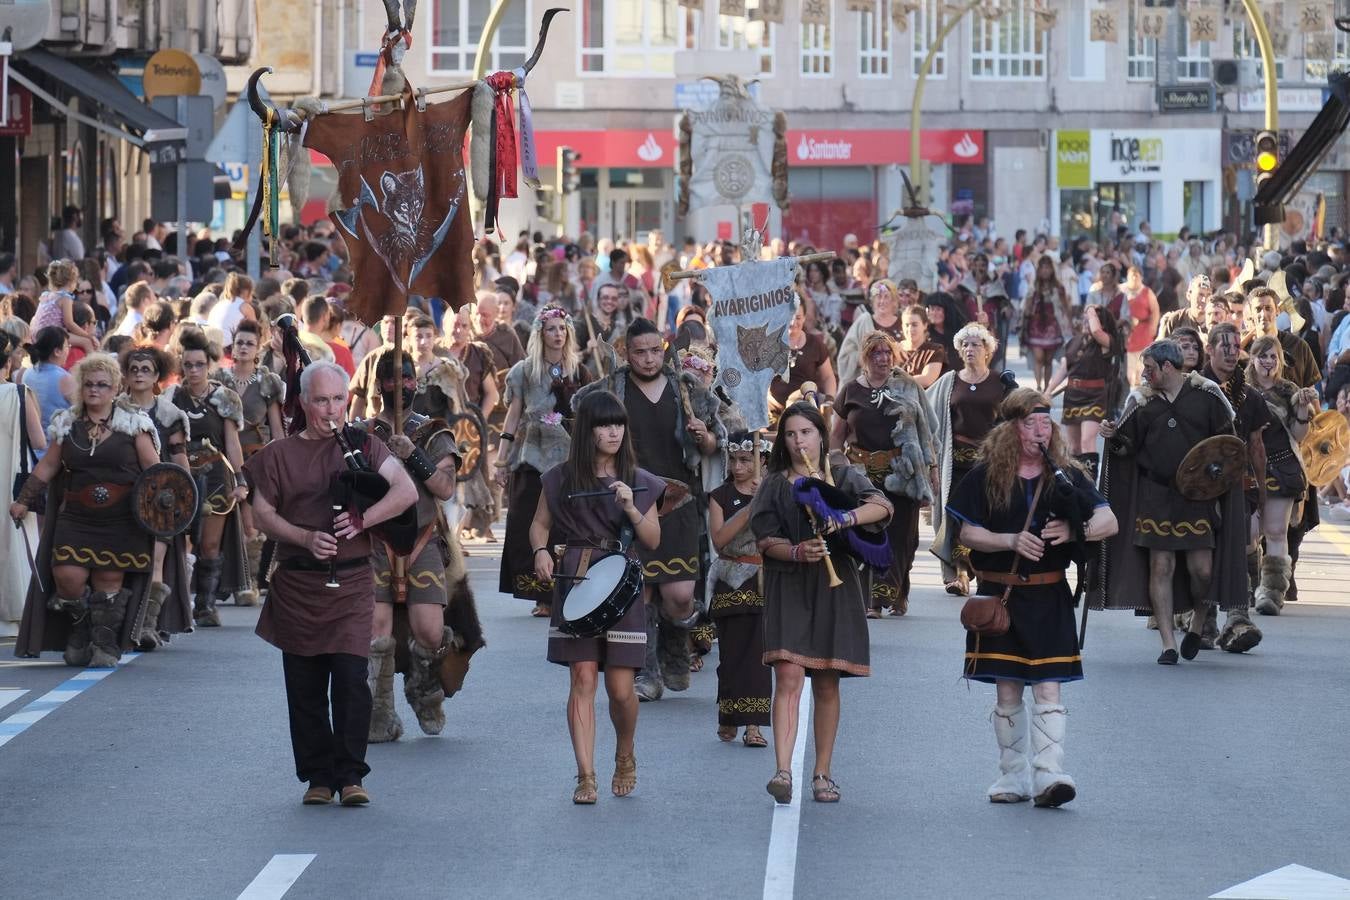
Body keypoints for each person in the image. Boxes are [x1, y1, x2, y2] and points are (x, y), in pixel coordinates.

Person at [244, 360, 417, 806]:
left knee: (349, 678)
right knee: (304, 686)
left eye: (338, 399)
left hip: (354, 581)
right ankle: (318, 778)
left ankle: (351, 775)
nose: (330, 409)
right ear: (303, 402)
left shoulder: (364, 445)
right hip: (299, 584)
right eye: (321, 400)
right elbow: (262, 514)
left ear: (348, 400)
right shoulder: (278, 455)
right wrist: (303, 537)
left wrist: (363, 520)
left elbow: (406, 493)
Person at [947, 389, 1117, 807]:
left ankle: (1049, 775)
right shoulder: (986, 476)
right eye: (1030, 423)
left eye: (1046, 423)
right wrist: (1009, 539)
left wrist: (1077, 531)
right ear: (1010, 429)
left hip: (1049, 596)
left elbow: (1108, 520)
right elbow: (965, 533)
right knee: (1007, 692)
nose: (1040, 431)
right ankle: (1012, 777)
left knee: (1048, 689)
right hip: (1001, 598)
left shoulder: (1066, 476)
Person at [573, 317, 723, 702]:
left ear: (665, 348)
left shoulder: (686, 388)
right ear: (627, 353)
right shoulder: (613, 387)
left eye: (656, 350)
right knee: (640, 594)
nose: (649, 358)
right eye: (640, 352)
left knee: (679, 596)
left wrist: (703, 436)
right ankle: (648, 673)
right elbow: (579, 410)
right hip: (631, 501)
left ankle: (675, 645)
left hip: (681, 501)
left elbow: (716, 441)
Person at [752, 402, 893, 805]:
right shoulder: (775, 483)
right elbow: (764, 538)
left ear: (820, 434)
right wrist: (795, 551)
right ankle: (783, 770)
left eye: (807, 433)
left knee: (828, 682)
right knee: (790, 676)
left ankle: (822, 773)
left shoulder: (842, 474)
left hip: (836, 587)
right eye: (791, 434)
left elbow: (884, 506)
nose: (799, 442)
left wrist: (843, 519)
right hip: (791, 585)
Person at [531, 390, 663, 804]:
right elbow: (539, 524)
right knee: (583, 677)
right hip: (577, 576)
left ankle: (625, 753)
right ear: (586, 430)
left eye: (619, 424)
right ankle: (584, 775)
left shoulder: (639, 481)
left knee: (621, 690)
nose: (614, 432)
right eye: (605, 424)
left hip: (622, 581)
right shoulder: (559, 478)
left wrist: (631, 508)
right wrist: (539, 551)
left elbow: (653, 540)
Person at [358, 350, 484, 742]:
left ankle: (424, 691)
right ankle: (379, 713)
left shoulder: (433, 432)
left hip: (422, 539)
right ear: (379, 385)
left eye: (408, 377)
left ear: (418, 382)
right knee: (376, 631)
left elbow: (445, 488)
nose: (401, 385)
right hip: (376, 541)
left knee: (430, 631)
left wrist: (413, 455)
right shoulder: (360, 433)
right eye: (392, 379)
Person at [1097, 339, 1248, 664]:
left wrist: (1218, 479)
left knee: (1202, 571)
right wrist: (1114, 437)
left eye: (1150, 368)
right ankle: (1168, 644)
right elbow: (1127, 449)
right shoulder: (1143, 402)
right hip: (1156, 495)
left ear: (1168, 366)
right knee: (1161, 566)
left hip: (1197, 496)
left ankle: (1196, 622)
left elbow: (1228, 446)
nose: (1145, 374)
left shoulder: (1206, 397)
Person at [12, 354, 160, 666]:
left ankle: (103, 644)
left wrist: (165, 512)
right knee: (67, 575)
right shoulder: (67, 424)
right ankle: (80, 630)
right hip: (77, 517)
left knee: (108, 583)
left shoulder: (135, 424)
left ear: (115, 387)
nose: (94, 390)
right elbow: (49, 465)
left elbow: (155, 472)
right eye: (89, 384)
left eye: (102, 385)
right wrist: (24, 499)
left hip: (121, 520)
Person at [830, 331, 938, 617]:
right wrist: (837, 470)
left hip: (903, 473)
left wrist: (932, 472)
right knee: (870, 534)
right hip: (863, 475)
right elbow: (835, 439)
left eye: (887, 352)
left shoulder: (907, 386)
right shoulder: (851, 391)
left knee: (905, 539)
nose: (883, 358)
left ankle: (899, 587)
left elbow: (926, 432)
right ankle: (875, 600)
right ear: (866, 358)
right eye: (876, 353)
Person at [494, 305, 592, 618]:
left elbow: (591, 416)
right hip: (530, 453)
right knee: (526, 518)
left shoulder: (580, 370)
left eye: (562, 328)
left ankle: (564, 590)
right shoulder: (524, 370)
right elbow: (513, 414)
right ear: (541, 333)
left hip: (568, 454)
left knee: (565, 522)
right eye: (551, 328)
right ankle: (540, 593)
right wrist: (501, 458)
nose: (558, 334)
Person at [165, 328, 249, 626]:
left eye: (199, 364)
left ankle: (205, 605)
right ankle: (177, 603)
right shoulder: (171, 397)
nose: (194, 370)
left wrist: (240, 480)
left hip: (215, 478)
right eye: (188, 365)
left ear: (209, 364)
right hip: (179, 479)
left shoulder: (224, 398)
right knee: (181, 541)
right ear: (181, 366)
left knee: (210, 545)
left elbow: (232, 442)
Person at [119, 343, 194, 649]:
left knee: (156, 558)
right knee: (122, 560)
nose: (139, 375)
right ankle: (122, 623)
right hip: (123, 497)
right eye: (134, 369)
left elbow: (180, 459)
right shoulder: (115, 408)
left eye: (145, 370)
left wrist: (184, 499)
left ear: (157, 376)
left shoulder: (170, 414)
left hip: (162, 498)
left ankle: (147, 626)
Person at [1200, 324, 1267, 653]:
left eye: (1234, 346)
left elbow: (1256, 446)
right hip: (1199, 486)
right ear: (1209, 350)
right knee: (1205, 552)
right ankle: (1204, 620)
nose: (1230, 351)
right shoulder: (1194, 391)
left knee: (1240, 547)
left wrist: (1263, 498)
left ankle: (1238, 619)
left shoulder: (1251, 396)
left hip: (1239, 486)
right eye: (1223, 346)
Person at [928, 323, 1006, 596]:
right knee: (956, 517)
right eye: (965, 345)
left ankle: (983, 571)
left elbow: (1015, 418)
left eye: (976, 344)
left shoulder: (999, 382)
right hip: (956, 463)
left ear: (988, 350)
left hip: (989, 463)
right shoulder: (950, 381)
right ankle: (960, 574)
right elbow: (925, 409)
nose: (969, 349)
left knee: (984, 519)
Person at [707, 428, 770, 747]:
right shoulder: (719, 496)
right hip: (730, 580)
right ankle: (728, 716)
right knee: (731, 655)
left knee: (760, 656)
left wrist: (766, 499)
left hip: (764, 580)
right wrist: (750, 507)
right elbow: (719, 541)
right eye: (733, 459)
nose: (738, 466)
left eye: (746, 459)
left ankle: (754, 726)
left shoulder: (773, 493)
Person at [1246, 335, 1317, 616]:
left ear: (1280, 360)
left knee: (1276, 531)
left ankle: (1273, 594)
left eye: (1272, 356)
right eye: (1262, 356)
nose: (1268, 361)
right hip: (1247, 468)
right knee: (1249, 533)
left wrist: (1301, 409)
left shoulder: (1290, 390)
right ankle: (1250, 586)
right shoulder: (1241, 389)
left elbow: (1299, 436)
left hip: (1280, 465)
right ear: (1253, 359)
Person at [0, 333, 46, 635]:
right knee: (15, 545)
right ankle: (14, 615)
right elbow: (39, 440)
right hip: (14, 480)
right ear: (7, 362)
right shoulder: (18, 393)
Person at [1045, 304, 1123, 478]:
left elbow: (1096, 332)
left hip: (1094, 397)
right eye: (1085, 319)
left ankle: (1090, 483)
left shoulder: (1108, 341)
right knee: (1073, 447)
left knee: (1087, 440)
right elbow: (1063, 369)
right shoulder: (1074, 341)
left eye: (1091, 319)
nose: (1087, 322)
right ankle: (1076, 480)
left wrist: (1089, 309)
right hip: (1073, 395)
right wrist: (1048, 391)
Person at [444, 305, 500, 542]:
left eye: (464, 325)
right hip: (441, 430)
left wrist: (477, 422)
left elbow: (492, 394)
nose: (459, 329)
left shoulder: (478, 354)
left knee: (469, 485)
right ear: (446, 325)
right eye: (455, 324)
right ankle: (447, 539)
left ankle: (460, 537)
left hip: (470, 432)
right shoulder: (434, 352)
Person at [769, 303, 836, 423]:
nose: (793, 322)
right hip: (773, 410)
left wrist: (829, 399)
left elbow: (828, 377)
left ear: (804, 317)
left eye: (798, 317)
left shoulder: (815, 344)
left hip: (806, 410)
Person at [16, 326, 75, 456]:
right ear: (57, 351)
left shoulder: (26, 373)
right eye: (67, 346)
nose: (68, 350)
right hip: (55, 453)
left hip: (29, 451)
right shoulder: (65, 379)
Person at [1021, 255, 1073, 392]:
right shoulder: (1033, 287)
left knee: (1048, 360)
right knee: (1038, 357)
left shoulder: (1058, 287)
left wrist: (1070, 324)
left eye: (1047, 267)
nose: (1045, 270)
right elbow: (1026, 304)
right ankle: (1038, 386)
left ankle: (1046, 387)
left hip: (1052, 326)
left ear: (1052, 269)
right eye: (1042, 267)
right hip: (1036, 325)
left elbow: (1065, 306)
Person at [837, 279, 904, 385]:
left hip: (898, 384)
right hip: (867, 385)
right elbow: (845, 356)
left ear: (894, 301)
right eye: (878, 296)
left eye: (886, 296)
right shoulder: (864, 320)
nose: (882, 301)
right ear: (872, 300)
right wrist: (869, 357)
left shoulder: (903, 322)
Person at [31, 260, 97, 355]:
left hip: (37, 334)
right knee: (87, 342)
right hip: (52, 335)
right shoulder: (65, 297)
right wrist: (88, 336)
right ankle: (93, 367)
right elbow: (69, 323)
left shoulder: (46, 295)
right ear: (72, 280)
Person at [894, 304, 948, 389]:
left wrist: (895, 381)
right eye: (907, 325)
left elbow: (926, 380)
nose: (910, 329)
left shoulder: (935, 350)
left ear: (925, 325)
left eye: (914, 325)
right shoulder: (894, 349)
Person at [1123, 266, 1160, 385]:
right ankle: (1133, 394)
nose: (1134, 278)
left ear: (1141, 277)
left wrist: (1152, 329)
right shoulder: (1122, 291)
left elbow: (1155, 311)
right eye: (1131, 275)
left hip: (1143, 333)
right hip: (1127, 334)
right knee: (1130, 372)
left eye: (1136, 275)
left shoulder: (1147, 292)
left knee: (1143, 368)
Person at [206, 273, 258, 348]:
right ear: (247, 291)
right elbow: (255, 331)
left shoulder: (219, 304)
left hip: (210, 346)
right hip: (229, 348)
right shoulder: (244, 307)